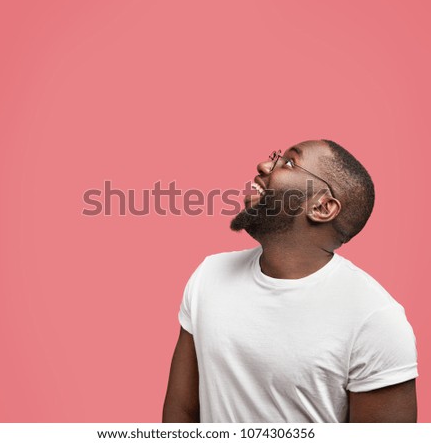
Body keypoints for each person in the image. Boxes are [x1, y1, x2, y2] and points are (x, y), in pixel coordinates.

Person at [162, 139, 418, 423]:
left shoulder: (374, 318)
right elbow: (181, 413)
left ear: (322, 207)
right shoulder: (209, 275)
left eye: (289, 162)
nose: (264, 165)